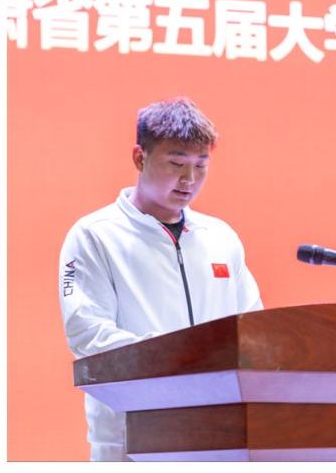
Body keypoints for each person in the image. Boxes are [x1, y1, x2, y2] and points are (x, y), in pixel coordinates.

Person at [58, 97, 263, 461]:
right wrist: (184, 358)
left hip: (221, 434)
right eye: (176, 164)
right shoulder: (95, 235)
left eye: (201, 165)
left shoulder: (221, 237)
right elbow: (89, 335)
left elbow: (253, 330)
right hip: (131, 438)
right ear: (140, 158)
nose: (189, 180)